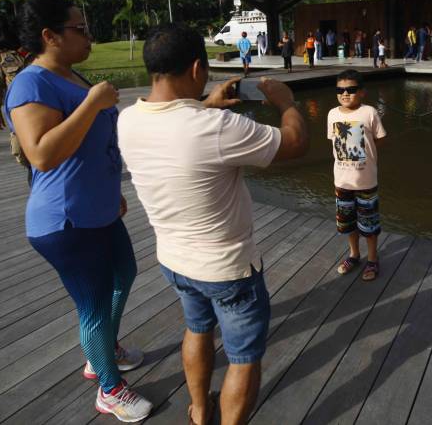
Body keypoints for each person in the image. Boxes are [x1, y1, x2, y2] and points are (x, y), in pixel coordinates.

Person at [117, 23, 308, 425]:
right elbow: (293, 143)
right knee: (243, 358)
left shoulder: (128, 120)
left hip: (174, 262)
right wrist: (287, 103)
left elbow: (177, 128)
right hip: (228, 270)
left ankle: (201, 411)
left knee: (197, 329)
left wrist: (206, 103)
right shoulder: (219, 128)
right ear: (197, 69)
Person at [4, 0, 151, 422]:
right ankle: (108, 387)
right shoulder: (32, 84)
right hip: (65, 220)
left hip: (99, 210)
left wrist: (110, 191)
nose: (88, 36)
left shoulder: (70, 75)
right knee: (93, 303)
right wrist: (92, 103)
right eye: (80, 29)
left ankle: (103, 350)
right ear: (50, 36)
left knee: (124, 274)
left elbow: (89, 146)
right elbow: (42, 155)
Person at [329, 70, 386, 282]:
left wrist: (366, 153)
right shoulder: (332, 114)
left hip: (366, 181)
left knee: (369, 225)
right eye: (340, 90)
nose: (345, 93)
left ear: (361, 92)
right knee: (347, 224)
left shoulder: (369, 112)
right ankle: (354, 255)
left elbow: (380, 138)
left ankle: (372, 259)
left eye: (351, 90)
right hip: (342, 182)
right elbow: (333, 142)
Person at [0, 13, 33, 172]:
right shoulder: (0, 57)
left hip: (43, 104)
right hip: (18, 109)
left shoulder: (35, 51)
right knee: (22, 151)